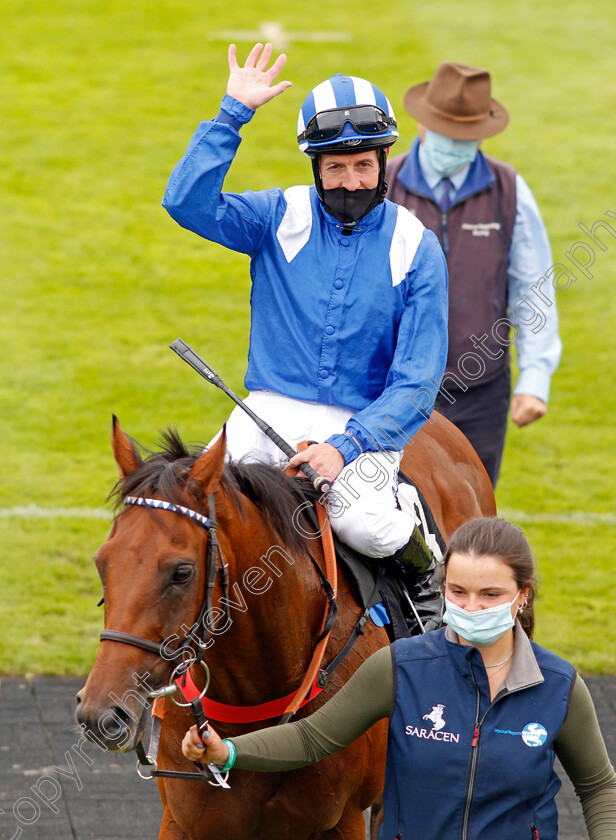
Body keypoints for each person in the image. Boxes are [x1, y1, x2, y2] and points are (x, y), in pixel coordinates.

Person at [162, 43, 450, 629]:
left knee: (366, 524)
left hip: (361, 423)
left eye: (363, 166)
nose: (350, 180)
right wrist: (231, 114)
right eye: (335, 168)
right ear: (314, 167)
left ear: (384, 160)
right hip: (265, 406)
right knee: (194, 512)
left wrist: (344, 448)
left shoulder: (417, 247)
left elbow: (418, 383)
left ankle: (430, 591)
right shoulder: (277, 215)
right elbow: (184, 202)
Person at [182, 517, 616, 840]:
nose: (473, 608)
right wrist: (229, 751)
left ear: (521, 597)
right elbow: (313, 738)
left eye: (491, 595)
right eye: (458, 592)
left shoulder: (558, 686)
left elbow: (599, 787)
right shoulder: (400, 666)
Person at [386, 62, 562, 486]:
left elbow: (533, 287)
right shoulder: (382, 186)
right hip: (389, 389)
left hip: (480, 391)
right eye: (448, 133)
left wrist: (534, 378)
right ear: (422, 125)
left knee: (471, 526)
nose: (456, 144)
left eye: (466, 136)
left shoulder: (509, 189)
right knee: (387, 524)